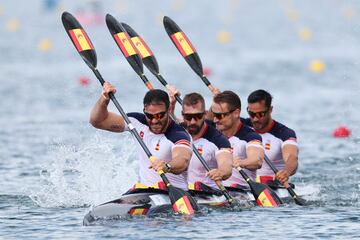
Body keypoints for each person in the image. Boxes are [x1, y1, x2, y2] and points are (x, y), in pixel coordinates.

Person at [89, 82, 193, 190]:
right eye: (149, 115)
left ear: (168, 111)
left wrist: (167, 166)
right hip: (147, 192)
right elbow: (97, 121)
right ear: (144, 111)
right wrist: (104, 99)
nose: (154, 120)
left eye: (159, 115)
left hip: (176, 194)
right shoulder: (136, 122)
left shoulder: (179, 135)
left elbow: (183, 160)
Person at [168, 90, 233, 189]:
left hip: (207, 194)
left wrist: (220, 172)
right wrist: (172, 102)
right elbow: (168, 118)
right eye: (188, 117)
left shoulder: (218, 140)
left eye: (198, 116)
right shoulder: (178, 132)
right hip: (182, 192)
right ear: (182, 115)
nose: (193, 121)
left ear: (205, 114)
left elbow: (226, 165)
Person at [209, 91, 264, 188]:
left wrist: (241, 162)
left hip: (241, 194)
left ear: (236, 113)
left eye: (220, 116)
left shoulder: (250, 136)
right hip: (213, 191)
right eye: (214, 115)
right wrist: (172, 106)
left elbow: (257, 160)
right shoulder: (210, 133)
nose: (215, 120)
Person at [243, 89, 299, 185]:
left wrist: (286, 172)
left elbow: (292, 157)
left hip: (271, 185)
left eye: (260, 114)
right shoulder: (241, 126)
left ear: (270, 109)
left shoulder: (284, 133)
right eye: (251, 114)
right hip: (244, 184)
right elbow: (212, 122)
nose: (255, 119)